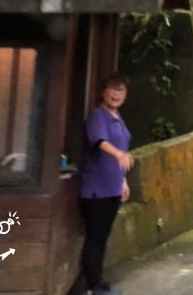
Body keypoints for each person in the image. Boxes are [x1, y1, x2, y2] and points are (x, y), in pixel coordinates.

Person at [79, 75, 133, 295]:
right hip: (96, 190)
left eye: (121, 91)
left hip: (112, 189)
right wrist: (119, 154)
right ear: (103, 91)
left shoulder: (118, 118)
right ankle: (93, 286)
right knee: (95, 237)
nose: (116, 94)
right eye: (112, 89)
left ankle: (98, 282)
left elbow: (122, 155)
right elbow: (100, 142)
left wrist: (123, 181)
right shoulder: (98, 116)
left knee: (102, 238)